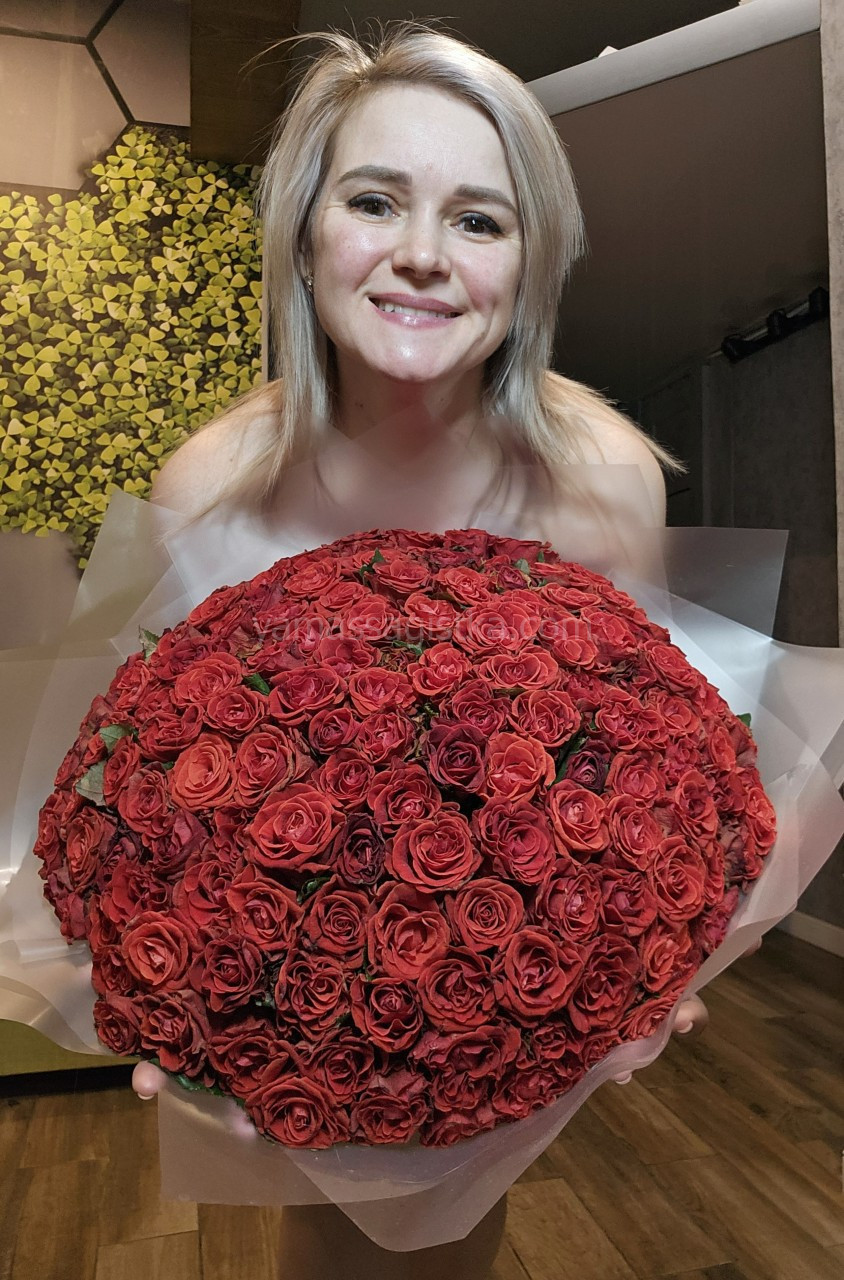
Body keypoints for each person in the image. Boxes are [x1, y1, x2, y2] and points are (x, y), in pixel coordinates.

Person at [136, 24, 721, 1280]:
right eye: (372, 200)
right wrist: (160, 986)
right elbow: (153, 788)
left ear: (529, 264)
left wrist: (657, 946)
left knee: (452, 1213)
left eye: (477, 219)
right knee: (332, 1221)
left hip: (499, 954)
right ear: (303, 236)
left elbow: (647, 764)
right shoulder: (206, 491)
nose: (420, 253)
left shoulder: (605, 485)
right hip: (295, 964)